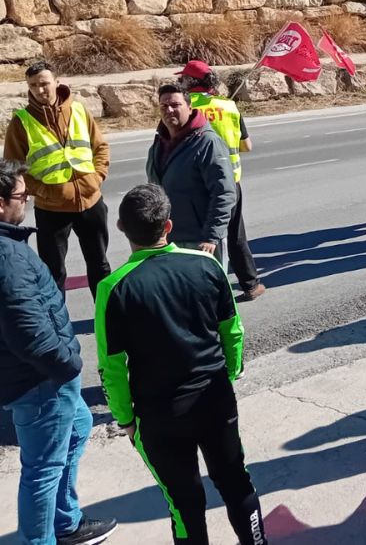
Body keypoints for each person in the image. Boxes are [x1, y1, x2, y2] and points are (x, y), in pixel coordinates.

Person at [95, 185, 262, 545]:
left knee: (183, 503)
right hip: (215, 400)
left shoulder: (113, 288)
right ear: (168, 226)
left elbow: (111, 367)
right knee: (236, 481)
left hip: (160, 417)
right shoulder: (206, 265)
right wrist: (228, 375)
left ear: (121, 228)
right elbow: (232, 331)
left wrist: (126, 420)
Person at [0, 159, 117, 545]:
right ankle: (42, 539)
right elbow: (28, 332)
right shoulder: (9, 258)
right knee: (42, 468)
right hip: (39, 381)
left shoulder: (9, 248)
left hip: (36, 377)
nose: (27, 200)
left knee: (80, 427)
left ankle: (66, 521)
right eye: (21, 195)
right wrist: (68, 365)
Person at [4, 61, 111, 300]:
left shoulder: (79, 110)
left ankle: (107, 319)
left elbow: (100, 148)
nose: (40, 90)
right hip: (52, 209)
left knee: (100, 266)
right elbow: (13, 169)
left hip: (90, 202)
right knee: (54, 273)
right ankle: (56, 327)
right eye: (33, 85)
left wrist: (97, 177)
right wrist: (44, 191)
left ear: (57, 82)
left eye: (44, 84)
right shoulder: (21, 122)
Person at [178, 61, 265, 301]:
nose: (180, 82)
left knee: (199, 239)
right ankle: (250, 284)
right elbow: (246, 145)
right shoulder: (229, 106)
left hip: (195, 185)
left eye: (183, 78)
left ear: (191, 83)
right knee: (235, 236)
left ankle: (205, 291)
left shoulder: (181, 107)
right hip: (229, 183)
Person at [145, 84, 236, 261]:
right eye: (164, 106)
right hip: (169, 239)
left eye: (175, 105)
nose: (169, 110)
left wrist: (211, 236)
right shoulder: (159, 143)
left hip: (201, 241)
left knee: (209, 289)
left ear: (189, 107)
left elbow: (224, 193)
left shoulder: (207, 143)